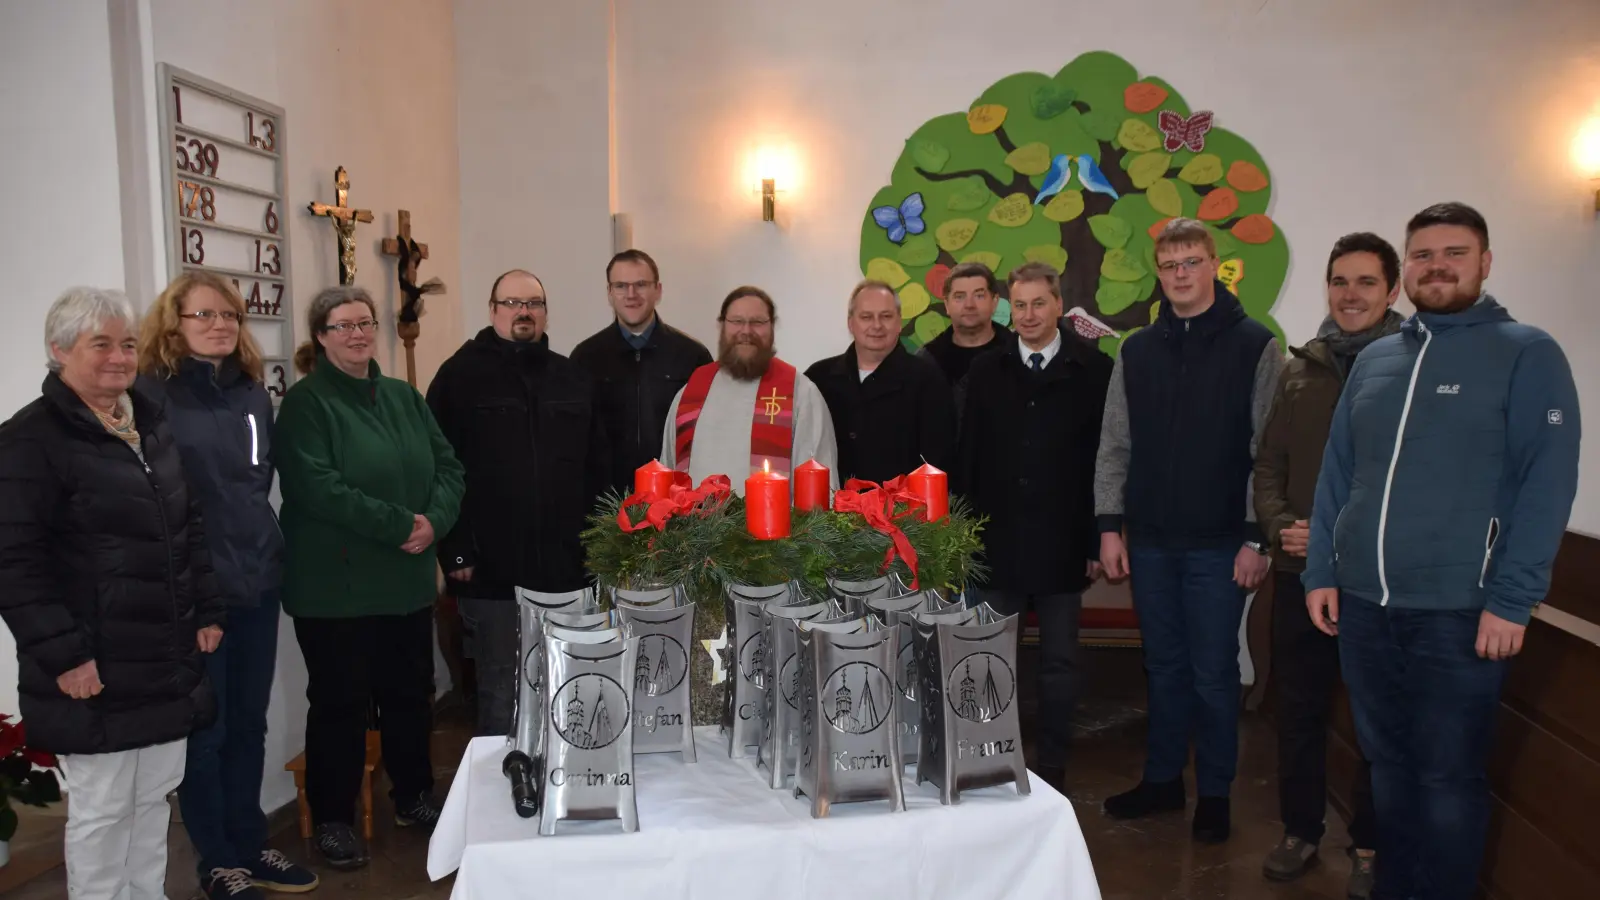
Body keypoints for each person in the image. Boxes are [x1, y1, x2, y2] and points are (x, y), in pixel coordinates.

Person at [1303, 203, 1581, 900]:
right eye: (1423, 254)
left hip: (1461, 613)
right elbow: (1339, 474)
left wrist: (1513, 600)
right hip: (1365, 610)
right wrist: (1321, 572)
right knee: (1388, 768)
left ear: (1484, 263)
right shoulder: (1374, 358)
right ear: (1408, 271)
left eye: (1454, 253)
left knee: (1447, 778)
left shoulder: (1527, 352)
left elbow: (1547, 482)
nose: (1437, 266)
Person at [0, 287, 224, 900]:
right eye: (100, 344)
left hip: (164, 657)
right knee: (102, 812)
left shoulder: (147, 424)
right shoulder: (28, 440)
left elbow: (189, 522)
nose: (119, 357)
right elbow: (14, 564)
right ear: (59, 349)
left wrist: (206, 608)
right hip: (93, 664)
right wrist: (66, 657)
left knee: (153, 799)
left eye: (127, 344)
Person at [1095, 217, 1284, 843]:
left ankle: (1218, 793)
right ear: (1159, 271)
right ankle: (1162, 781)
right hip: (1149, 539)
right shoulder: (1136, 350)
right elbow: (1115, 444)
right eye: (1170, 264)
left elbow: (1269, 449)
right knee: (1164, 666)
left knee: (1213, 672)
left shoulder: (1256, 345)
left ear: (1214, 265)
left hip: (1220, 543)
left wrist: (1258, 537)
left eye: (1192, 262)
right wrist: (1110, 527)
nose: (1181, 274)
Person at [136, 273, 319, 898]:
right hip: (195, 591)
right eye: (203, 315)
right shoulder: (149, 396)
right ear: (173, 324)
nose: (220, 325)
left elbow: (253, 487)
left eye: (230, 316)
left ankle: (249, 844)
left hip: (256, 581)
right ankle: (217, 859)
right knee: (206, 731)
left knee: (249, 722)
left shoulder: (250, 395)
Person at [275, 286, 464, 871]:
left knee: (412, 696)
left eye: (364, 323)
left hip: (405, 580)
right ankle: (333, 818)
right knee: (340, 704)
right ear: (321, 337)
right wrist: (398, 524)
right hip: (338, 589)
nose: (357, 334)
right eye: (342, 326)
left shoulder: (405, 398)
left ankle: (412, 798)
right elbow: (317, 486)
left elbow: (450, 467)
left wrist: (434, 521)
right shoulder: (306, 405)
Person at [1253, 235, 1402, 896]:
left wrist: (1345, 538)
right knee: (1301, 711)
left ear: (1392, 291)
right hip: (1298, 577)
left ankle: (1369, 846)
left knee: (1377, 723)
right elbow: (1268, 467)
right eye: (1339, 281)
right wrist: (1284, 528)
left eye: (1366, 282)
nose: (1350, 295)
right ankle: (1300, 831)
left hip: (1378, 583)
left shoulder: (1413, 367)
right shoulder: (1299, 371)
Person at [427, 269, 610, 736]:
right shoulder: (458, 377)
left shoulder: (572, 377)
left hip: (566, 566)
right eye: (511, 303)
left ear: (546, 313)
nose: (523, 312)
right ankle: (495, 795)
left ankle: (564, 780)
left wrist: (599, 548)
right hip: (490, 568)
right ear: (492, 311)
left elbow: (598, 469)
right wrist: (456, 549)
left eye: (532, 303)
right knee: (500, 688)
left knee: (568, 682)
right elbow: (437, 468)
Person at [955, 263, 1111, 791]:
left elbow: (1103, 461)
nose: (1027, 315)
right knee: (990, 656)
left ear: (1058, 306)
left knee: (1059, 663)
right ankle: (993, 755)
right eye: (1018, 306)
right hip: (996, 543)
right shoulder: (985, 369)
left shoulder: (1093, 369)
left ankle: (1054, 765)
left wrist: (1096, 537)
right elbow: (968, 457)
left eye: (1038, 304)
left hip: (1065, 541)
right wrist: (966, 537)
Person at [659, 286, 837, 492]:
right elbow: (668, 471)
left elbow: (821, 485)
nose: (746, 331)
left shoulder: (801, 394)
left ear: (772, 327)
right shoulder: (690, 393)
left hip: (776, 524)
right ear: (722, 326)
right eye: (736, 321)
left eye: (757, 322)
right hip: (695, 523)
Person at [571, 250, 712, 493]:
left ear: (658, 290)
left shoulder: (692, 356)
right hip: (603, 504)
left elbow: (708, 433)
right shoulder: (585, 358)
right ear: (609, 293)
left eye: (641, 285)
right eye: (621, 286)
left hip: (675, 502)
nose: (631, 294)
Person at [805, 280, 955, 483]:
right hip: (830, 510)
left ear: (899, 322)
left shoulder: (927, 378)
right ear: (851, 323)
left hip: (902, 510)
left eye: (886, 316)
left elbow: (937, 459)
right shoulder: (818, 378)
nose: (876, 325)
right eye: (866, 317)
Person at [916, 261, 1006, 427]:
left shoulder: (1019, 352)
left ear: (994, 302)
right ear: (947, 305)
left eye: (979, 295)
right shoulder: (926, 362)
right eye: (959, 297)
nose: (969, 305)